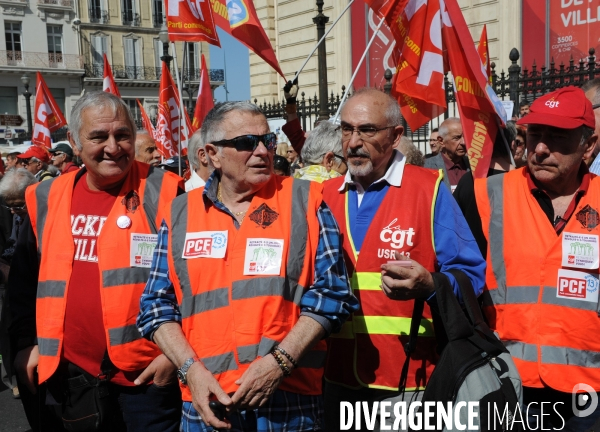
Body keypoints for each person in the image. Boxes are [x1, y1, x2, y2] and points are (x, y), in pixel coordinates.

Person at [137, 101, 358, 431]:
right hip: (205, 403)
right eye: (245, 143)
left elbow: (334, 295)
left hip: (288, 401)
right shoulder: (180, 213)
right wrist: (190, 371)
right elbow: (156, 306)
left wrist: (278, 364)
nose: (261, 151)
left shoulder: (304, 199)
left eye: (267, 141)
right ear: (211, 154)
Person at [9, 92, 184, 432]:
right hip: (68, 375)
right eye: (99, 137)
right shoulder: (44, 197)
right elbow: (23, 282)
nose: (113, 147)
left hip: (147, 380)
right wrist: (25, 344)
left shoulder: (168, 192)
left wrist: (172, 357)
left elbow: (198, 285)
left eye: (122, 135)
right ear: (74, 142)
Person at [322, 88, 486, 431]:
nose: (352, 142)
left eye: (366, 130)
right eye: (347, 129)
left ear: (396, 136)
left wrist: (430, 285)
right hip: (333, 379)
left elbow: (473, 275)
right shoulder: (322, 196)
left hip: (408, 382)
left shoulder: (429, 188)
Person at [471, 87, 600, 429]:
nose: (541, 148)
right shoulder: (484, 195)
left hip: (586, 395)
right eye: (535, 135)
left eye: (556, 137)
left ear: (588, 145)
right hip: (503, 385)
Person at [454, 122, 517, 256]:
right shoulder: (523, 182)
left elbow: (454, 224)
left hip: (472, 264)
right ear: (513, 145)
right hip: (508, 267)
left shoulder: (467, 180)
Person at [424, 117, 470, 192]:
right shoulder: (427, 167)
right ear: (441, 141)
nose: (463, 142)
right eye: (457, 138)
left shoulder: (473, 166)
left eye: (465, 137)